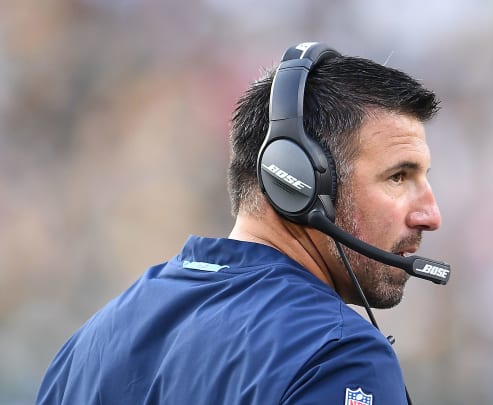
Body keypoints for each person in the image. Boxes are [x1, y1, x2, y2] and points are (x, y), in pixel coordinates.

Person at [37, 42, 447, 404]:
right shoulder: (340, 357)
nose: (431, 215)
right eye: (398, 177)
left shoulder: (90, 342)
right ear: (300, 180)